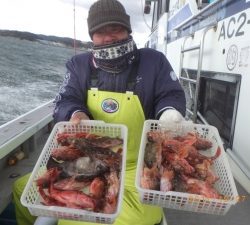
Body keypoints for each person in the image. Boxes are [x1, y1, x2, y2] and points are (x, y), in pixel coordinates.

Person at [13, 0, 186, 225]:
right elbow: (66, 98)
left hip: (136, 165)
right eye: (100, 32)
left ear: (127, 29)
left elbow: (170, 94)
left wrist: (168, 112)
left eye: (114, 29)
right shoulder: (79, 65)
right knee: (21, 190)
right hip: (88, 159)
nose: (108, 37)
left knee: (113, 219)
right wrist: (75, 113)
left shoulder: (154, 61)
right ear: (92, 36)